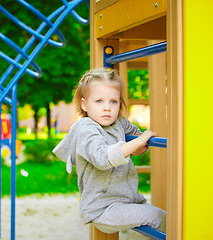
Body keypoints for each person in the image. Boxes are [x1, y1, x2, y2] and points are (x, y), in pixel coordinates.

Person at [53, 68, 166, 235]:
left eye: (113, 101)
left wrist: (140, 145)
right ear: (85, 104)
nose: (107, 108)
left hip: (129, 200)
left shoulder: (118, 122)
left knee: (164, 218)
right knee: (156, 216)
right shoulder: (87, 127)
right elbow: (102, 158)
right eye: (99, 101)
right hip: (103, 208)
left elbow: (136, 141)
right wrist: (138, 142)